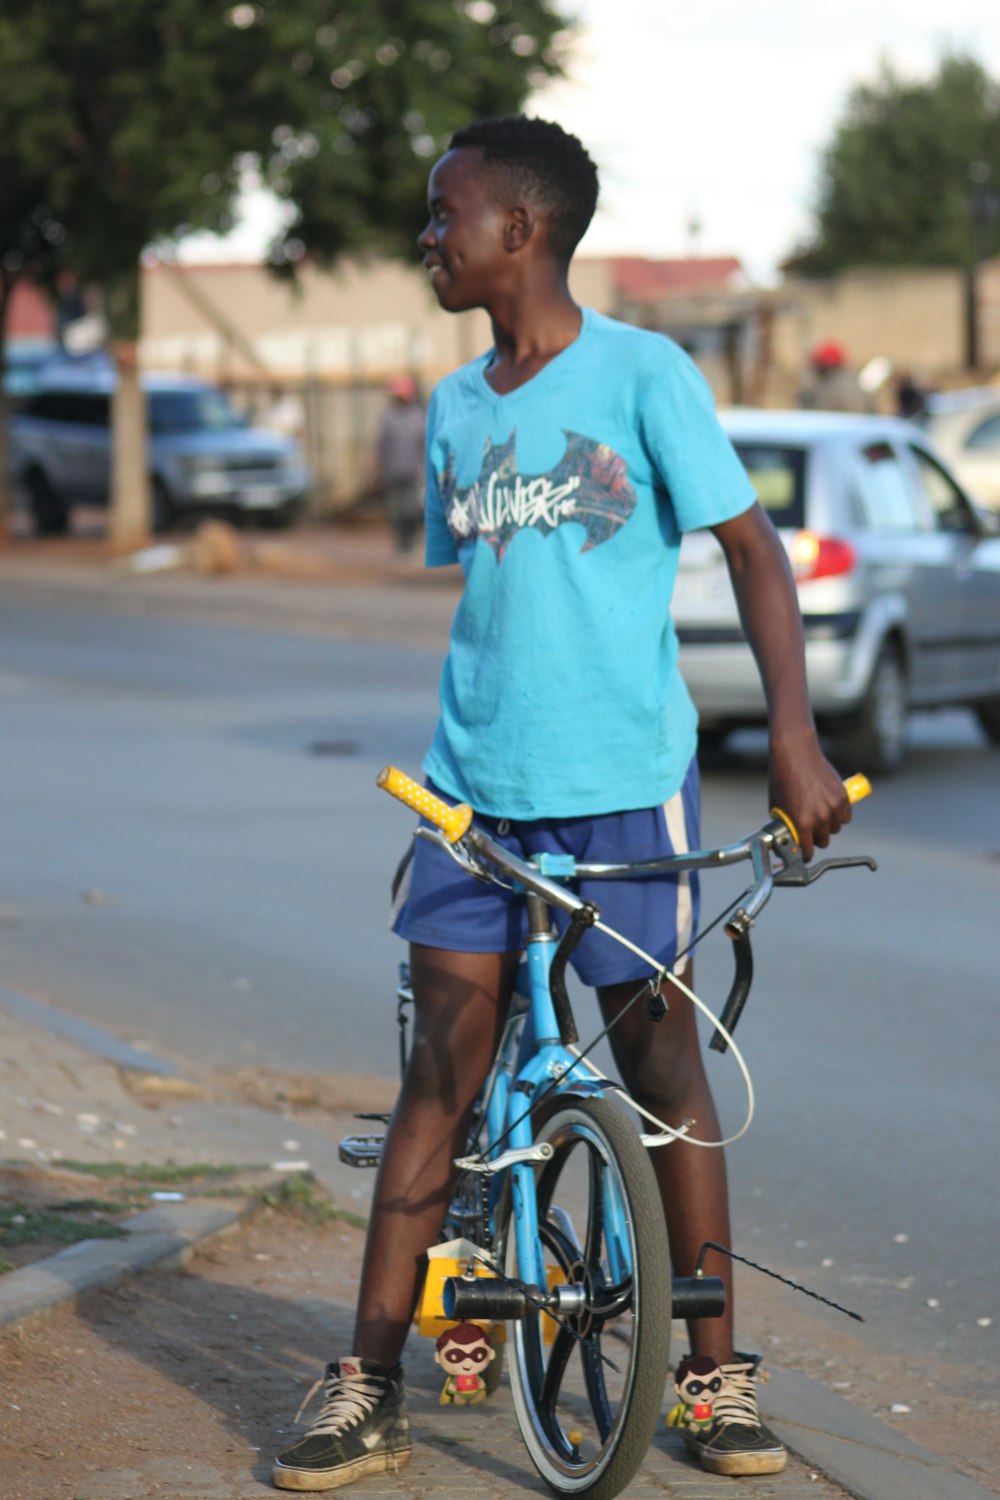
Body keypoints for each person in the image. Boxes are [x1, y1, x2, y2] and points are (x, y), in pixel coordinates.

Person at [272, 116, 851, 1492]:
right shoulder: (459, 405)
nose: (429, 235)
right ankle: (370, 1381)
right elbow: (489, 600)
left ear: (520, 231)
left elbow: (756, 555)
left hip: (621, 801)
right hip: (472, 802)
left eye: (444, 213)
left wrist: (791, 738)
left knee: (662, 1077)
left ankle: (710, 1381)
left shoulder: (649, 374)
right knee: (442, 1079)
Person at [375, 375, 426, 557]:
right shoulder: (389, 417)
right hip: (392, 471)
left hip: (413, 472)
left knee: (412, 509)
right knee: (395, 511)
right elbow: (381, 445)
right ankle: (401, 545)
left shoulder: (418, 417)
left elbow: (425, 445)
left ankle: (411, 542)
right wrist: (377, 469)